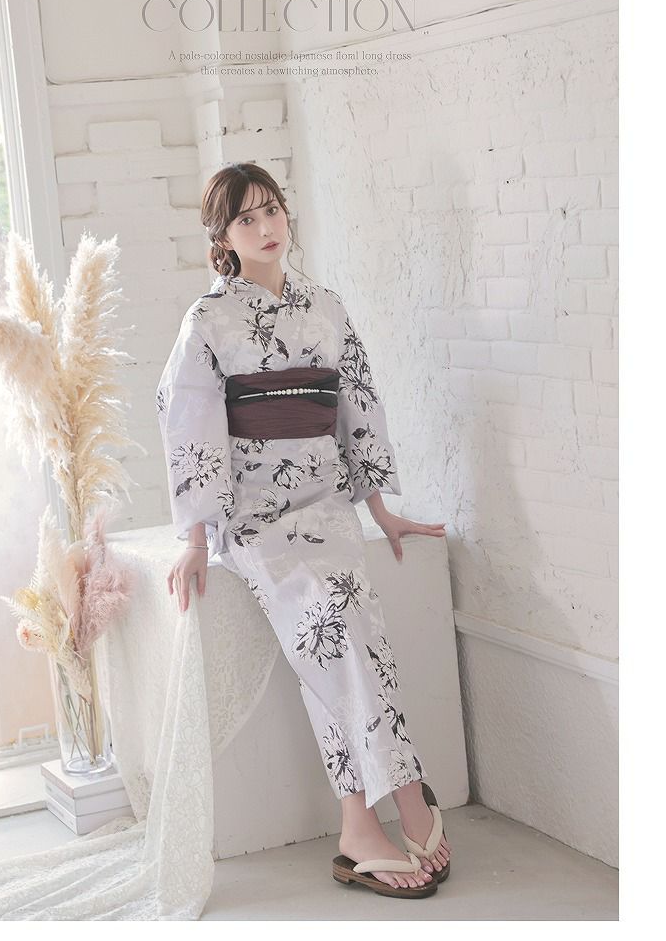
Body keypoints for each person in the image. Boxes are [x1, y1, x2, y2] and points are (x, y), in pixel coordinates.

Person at [155, 162, 452, 899]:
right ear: (223, 238)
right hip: (255, 518)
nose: (266, 227)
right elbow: (189, 423)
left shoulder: (327, 308)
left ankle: (360, 822)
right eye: (246, 219)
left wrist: (378, 507)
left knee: (348, 620)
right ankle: (407, 790)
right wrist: (195, 538)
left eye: (272, 209)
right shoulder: (208, 321)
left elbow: (358, 405)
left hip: (327, 506)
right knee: (331, 615)